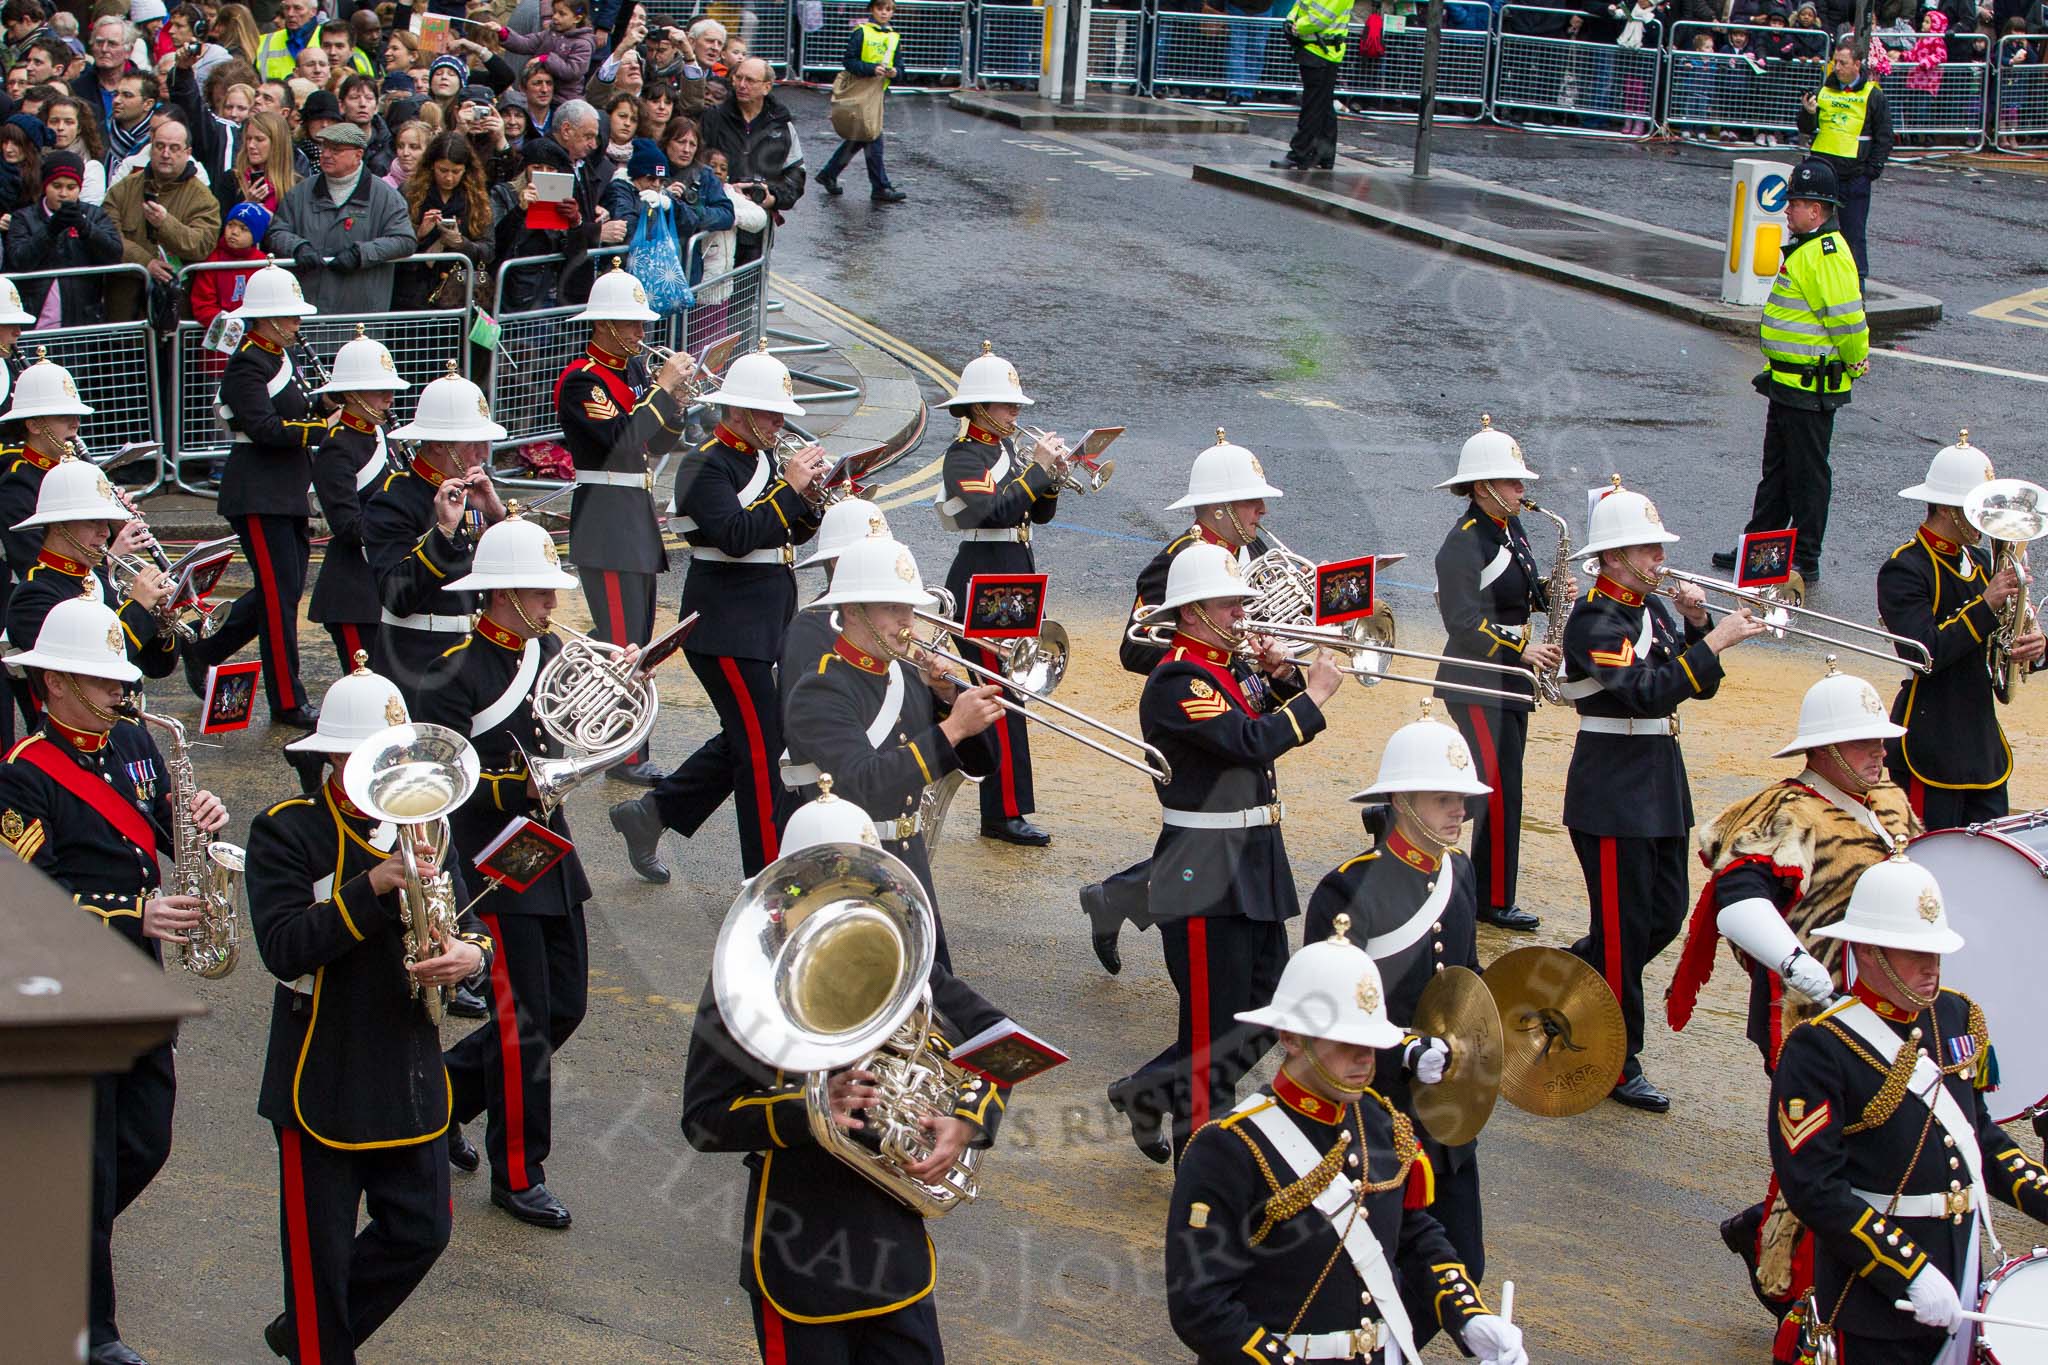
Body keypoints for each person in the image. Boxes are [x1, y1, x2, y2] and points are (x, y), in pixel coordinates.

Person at [681, 782, 1015, 1365]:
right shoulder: (741, 986)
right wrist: (810, 1109)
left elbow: (1006, 1048)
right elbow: (705, 1119)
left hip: (895, 1251)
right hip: (799, 1248)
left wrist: (967, 1120)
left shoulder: (910, 960)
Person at [0, 597, 230, 1365]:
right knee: (91, 1161)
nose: (120, 692)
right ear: (56, 682)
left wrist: (198, 817)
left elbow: (161, 829)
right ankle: (91, 1327)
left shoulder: (133, 741)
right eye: (102, 680)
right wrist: (136, 910)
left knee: (146, 1138)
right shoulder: (23, 778)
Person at [246, 661, 490, 1365]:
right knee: (317, 1266)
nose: (387, 770)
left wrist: (471, 957)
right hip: (323, 1071)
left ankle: (309, 1334)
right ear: (334, 758)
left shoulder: (426, 820)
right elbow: (282, 944)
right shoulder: (288, 831)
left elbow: (471, 924)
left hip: (408, 1070)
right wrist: (373, 885)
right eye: (368, 757)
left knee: (423, 1230)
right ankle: (319, 1339)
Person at [1667, 663, 1918, 1340]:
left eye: (1879, 739)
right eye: (1862, 741)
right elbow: (1737, 899)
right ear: (1823, 748)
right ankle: (1798, 1287)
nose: (1879, 751)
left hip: (1894, 1014)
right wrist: (1805, 971)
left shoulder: (1889, 802)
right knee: (1824, 1163)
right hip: (1813, 1021)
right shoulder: (1786, 812)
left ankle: (1790, 1250)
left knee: (1885, 1152)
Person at [1165, 921, 1528, 1365]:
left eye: (1371, 1043)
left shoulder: (1383, 1123)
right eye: (1346, 1042)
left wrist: (1467, 1315)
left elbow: (1413, 1235)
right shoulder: (1229, 1147)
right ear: (1292, 1038)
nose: (1364, 1058)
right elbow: (1201, 1306)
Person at [1769, 855, 2048, 1365]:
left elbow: (1978, 1138)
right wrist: (1908, 1270)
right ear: (1868, 952)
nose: (1932, 966)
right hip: (1873, 1292)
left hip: (1961, 1271)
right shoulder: (1819, 1047)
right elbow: (1815, 1187)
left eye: (1936, 950)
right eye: (1915, 952)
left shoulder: (1956, 1014)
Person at [1112, 542, 1340, 1163]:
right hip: (1204, 868)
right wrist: (1314, 696)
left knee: (1267, 1008)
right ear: (1191, 614)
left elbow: (1256, 713)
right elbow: (1247, 741)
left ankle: (1150, 1091)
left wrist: (1284, 678)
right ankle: (1199, 1175)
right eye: (1230, 602)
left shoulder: (1224, 666)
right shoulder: (1177, 678)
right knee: (1214, 1033)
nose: (1243, 611)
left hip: (1253, 860)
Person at [412, 516, 596, 1232]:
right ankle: (519, 1171)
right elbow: (440, 776)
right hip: (492, 858)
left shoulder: (549, 649)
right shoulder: (452, 672)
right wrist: (514, 786)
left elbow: (571, 731)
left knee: (564, 1006)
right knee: (521, 1020)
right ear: (503, 594)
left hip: (551, 847)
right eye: (540, 592)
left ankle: (441, 1099)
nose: (553, 605)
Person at [1561, 481, 1765, 1114]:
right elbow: (1646, 691)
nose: (1658, 560)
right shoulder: (1595, 618)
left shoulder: (1649, 610)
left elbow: (1695, 688)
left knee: (1663, 916)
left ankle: (1573, 977)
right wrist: (1714, 641)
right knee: (1623, 936)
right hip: (1614, 789)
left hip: (1658, 783)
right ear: (1614, 557)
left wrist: (1700, 624)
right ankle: (1619, 1060)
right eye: (1648, 550)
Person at [609, 344, 825, 883]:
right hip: (727, 627)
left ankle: (652, 814)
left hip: (767, 620)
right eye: (771, 413)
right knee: (762, 753)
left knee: (748, 735)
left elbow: (786, 533)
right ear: (739, 411)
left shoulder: (763, 458)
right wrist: (791, 490)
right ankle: (767, 875)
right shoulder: (705, 463)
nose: (779, 424)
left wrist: (813, 502)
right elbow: (734, 536)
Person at [1302, 709, 1494, 1294]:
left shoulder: (1458, 872)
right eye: (1444, 799)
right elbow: (1325, 1009)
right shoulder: (1348, 888)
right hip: (1375, 1107)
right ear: (1403, 801)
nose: (1460, 811)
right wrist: (1405, 1048)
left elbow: (1466, 978)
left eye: (1463, 798)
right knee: (1366, 1272)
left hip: (1448, 1114)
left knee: (1463, 1265)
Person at [781, 535, 1003, 964]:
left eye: (908, 609)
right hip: (848, 867)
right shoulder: (822, 686)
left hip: (909, 861)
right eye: (892, 608)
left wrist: (947, 697)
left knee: (933, 991)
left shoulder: (905, 674)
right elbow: (867, 782)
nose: (907, 622)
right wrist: (953, 727)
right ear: (852, 610)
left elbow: (983, 763)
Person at [554, 265, 694, 785]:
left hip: (632, 514)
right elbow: (620, 440)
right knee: (622, 643)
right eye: (631, 325)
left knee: (633, 637)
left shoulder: (631, 375)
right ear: (605, 325)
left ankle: (574, 705)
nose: (640, 335)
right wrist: (661, 389)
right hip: (606, 518)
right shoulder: (583, 379)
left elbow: (656, 445)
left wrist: (674, 404)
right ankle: (626, 757)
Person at [1430, 415, 1562, 933]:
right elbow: (1461, 620)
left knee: (1508, 781)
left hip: (1509, 676)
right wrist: (1522, 646)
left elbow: (1520, 591)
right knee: (1494, 785)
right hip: (1477, 676)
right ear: (1483, 488)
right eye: (1512, 482)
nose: (1521, 489)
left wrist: (1552, 592)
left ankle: (1494, 891)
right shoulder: (1463, 542)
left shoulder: (1512, 526)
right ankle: (1489, 897)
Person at [1878, 432, 2046, 829]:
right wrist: (1986, 604)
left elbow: (2002, 639)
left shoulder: (1983, 559)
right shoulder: (1906, 568)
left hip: (1983, 746)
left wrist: (2035, 648)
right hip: (1931, 741)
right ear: (1951, 509)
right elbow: (1924, 653)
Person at [1713, 158, 1868, 585]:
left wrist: (1855, 362)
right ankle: (1759, 549)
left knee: (1807, 477)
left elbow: (1848, 322)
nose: (1786, 210)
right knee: (1777, 475)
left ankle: (1805, 557)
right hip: (1785, 383)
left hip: (1810, 387)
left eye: (1794, 203)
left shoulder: (1828, 255)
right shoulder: (1807, 249)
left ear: (1815, 210)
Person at [182, 266, 324, 727]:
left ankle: (206, 648)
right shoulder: (248, 363)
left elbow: (295, 409)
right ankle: (287, 699)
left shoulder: (280, 356)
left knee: (280, 591)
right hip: (258, 491)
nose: (298, 326)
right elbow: (264, 428)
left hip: (285, 489)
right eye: (291, 317)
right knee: (279, 597)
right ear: (268, 319)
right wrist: (322, 428)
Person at [935, 342, 1064, 847]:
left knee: (1016, 691)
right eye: (1009, 405)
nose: (1016, 412)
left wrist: (1050, 479)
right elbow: (993, 512)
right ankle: (1002, 812)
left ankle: (1007, 808)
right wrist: (1036, 471)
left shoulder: (1007, 449)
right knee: (1000, 693)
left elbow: (1038, 513)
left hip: (1013, 574)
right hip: (984, 576)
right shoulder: (963, 454)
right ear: (981, 408)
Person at [361, 364, 507, 703]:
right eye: (473, 444)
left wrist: (498, 518)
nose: (484, 454)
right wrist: (442, 532)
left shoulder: (472, 492)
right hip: (417, 659)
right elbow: (397, 598)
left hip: (471, 653)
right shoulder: (394, 498)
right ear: (440, 445)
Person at [5, 453, 177, 720]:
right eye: (92, 522)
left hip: (127, 732)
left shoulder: (99, 576)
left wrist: (163, 624)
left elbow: (156, 667)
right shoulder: (34, 595)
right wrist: (139, 609)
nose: (105, 533)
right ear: (60, 527)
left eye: (105, 522)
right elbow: (90, 673)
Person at [307, 326, 406, 673]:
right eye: (381, 391)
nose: (389, 399)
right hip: (354, 593)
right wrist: (402, 519)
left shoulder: (384, 436)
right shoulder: (338, 446)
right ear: (355, 393)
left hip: (388, 583)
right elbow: (348, 526)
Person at [267, 119, 417, 315]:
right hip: (309, 309)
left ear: (358, 154)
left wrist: (362, 254)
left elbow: (404, 240)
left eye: (336, 150)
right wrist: (297, 247)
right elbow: (277, 231)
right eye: (324, 148)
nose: (326, 154)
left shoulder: (385, 196)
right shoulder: (301, 193)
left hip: (361, 312)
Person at [101, 114, 219, 322]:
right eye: (159, 146)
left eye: (174, 148)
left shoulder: (203, 198)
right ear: (150, 148)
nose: (165, 154)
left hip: (175, 313)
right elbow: (106, 236)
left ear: (187, 152)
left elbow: (202, 245)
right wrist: (146, 263)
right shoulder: (123, 189)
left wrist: (166, 224)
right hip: (124, 311)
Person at [1796, 39, 1892, 282]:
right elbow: (1806, 128)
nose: (1837, 67)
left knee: (1853, 237)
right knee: (1813, 231)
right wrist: (1807, 113)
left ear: (1857, 64)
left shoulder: (1873, 95)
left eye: (1843, 63)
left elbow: (1884, 137)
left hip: (1854, 178)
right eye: (1835, 62)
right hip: (1822, 175)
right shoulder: (1823, 91)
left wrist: (1871, 172)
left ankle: (1855, 292)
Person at [697, 55, 800, 266]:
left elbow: (796, 174)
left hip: (757, 223)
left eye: (750, 80)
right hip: (719, 220)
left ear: (766, 87)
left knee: (748, 289)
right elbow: (696, 164)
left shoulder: (781, 125)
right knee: (714, 292)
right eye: (738, 78)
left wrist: (774, 197)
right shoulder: (713, 117)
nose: (742, 85)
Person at [5, 149, 123, 326]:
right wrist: (50, 230)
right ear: (45, 186)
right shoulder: (23, 218)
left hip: (82, 320)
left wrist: (85, 227)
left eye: (71, 187)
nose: (64, 194)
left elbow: (114, 254)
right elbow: (19, 259)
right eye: (57, 186)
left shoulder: (94, 215)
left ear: (80, 188)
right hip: (36, 319)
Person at [815, 0, 906, 204]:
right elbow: (849, 61)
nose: (884, 13)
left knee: (862, 135)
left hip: (877, 93)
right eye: (880, 8)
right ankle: (880, 187)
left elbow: (901, 67)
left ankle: (829, 173)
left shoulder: (894, 37)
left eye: (888, 9)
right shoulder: (861, 32)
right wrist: (871, 68)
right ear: (872, 10)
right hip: (859, 91)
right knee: (872, 136)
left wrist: (895, 72)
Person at [391, 129, 491, 309]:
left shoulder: (477, 199)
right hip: (413, 293)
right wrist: (419, 233)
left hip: (459, 295)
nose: (449, 177)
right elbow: (393, 240)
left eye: (456, 171)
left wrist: (461, 243)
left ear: (466, 170)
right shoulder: (409, 192)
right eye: (443, 170)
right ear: (431, 165)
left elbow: (489, 249)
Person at [1271, 0, 1353, 170]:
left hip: (1322, 50)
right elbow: (1301, 4)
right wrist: (1291, 20)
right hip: (1316, 48)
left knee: (1313, 106)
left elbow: (1321, 18)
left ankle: (1299, 153)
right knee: (1322, 104)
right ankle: (1324, 154)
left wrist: (1296, 27)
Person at [187, 199, 269, 327]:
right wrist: (229, 324)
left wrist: (258, 322)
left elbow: (270, 302)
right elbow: (203, 304)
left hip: (257, 335)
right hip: (221, 336)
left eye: (244, 229)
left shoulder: (263, 264)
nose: (234, 232)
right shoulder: (212, 261)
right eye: (230, 225)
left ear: (256, 235)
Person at [499, 0, 596, 104]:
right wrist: (503, 33)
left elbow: (572, 71)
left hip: (564, 99)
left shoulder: (583, 44)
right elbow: (526, 43)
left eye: (561, 14)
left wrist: (545, 59)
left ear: (577, 18)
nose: (555, 17)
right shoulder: (549, 34)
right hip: (540, 93)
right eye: (554, 12)